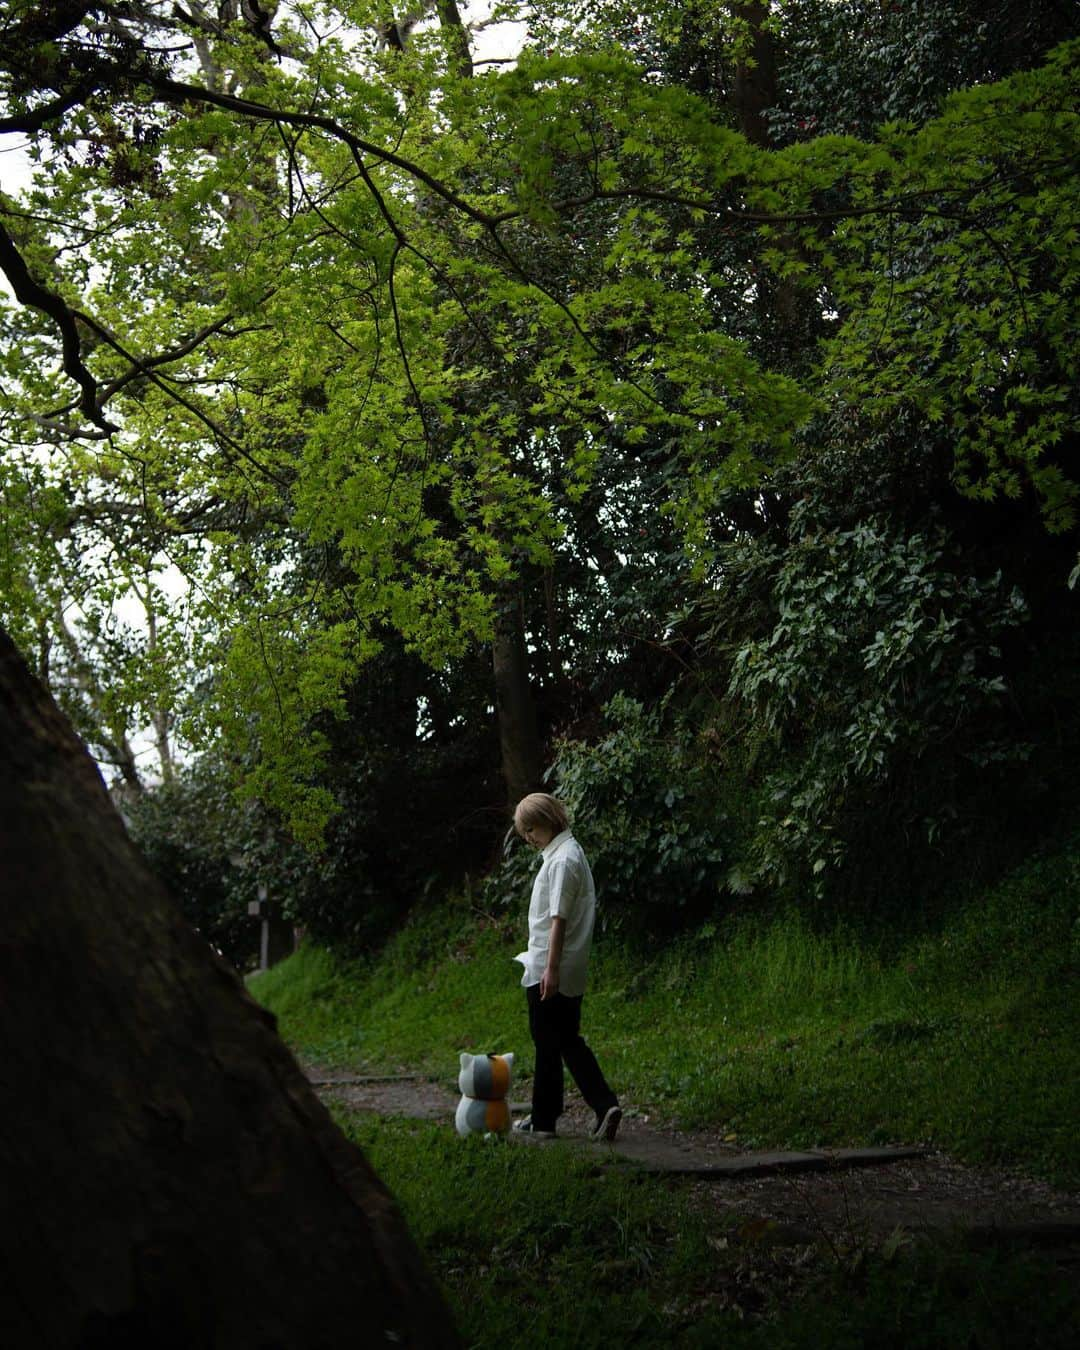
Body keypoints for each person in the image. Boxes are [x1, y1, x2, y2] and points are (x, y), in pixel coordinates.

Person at [511, 792, 622, 1142]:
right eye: (524, 831)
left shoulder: (562, 860)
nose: (529, 837)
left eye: (531, 828)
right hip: (563, 964)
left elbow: (558, 919)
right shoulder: (566, 853)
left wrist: (551, 969)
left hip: (550, 964)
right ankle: (590, 1108)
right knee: (563, 1039)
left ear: (548, 819)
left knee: (548, 1040)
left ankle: (555, 1118)